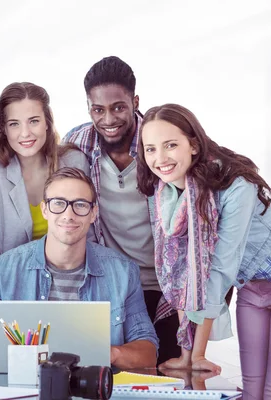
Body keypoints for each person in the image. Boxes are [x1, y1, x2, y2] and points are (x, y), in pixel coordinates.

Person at [137, 103, 271, 399]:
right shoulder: (166, 193)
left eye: (170, 145)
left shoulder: (235, 185)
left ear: (193, 145)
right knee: (252, 392)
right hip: (251, 286)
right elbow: (180, 274)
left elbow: (221, 268)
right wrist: (187, 357)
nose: (160, 159)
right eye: (150, 149)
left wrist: (197, 356)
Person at [0, 167, 158, 370]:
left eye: (80, 205)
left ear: (93, 213)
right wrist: (25, 355)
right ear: (45, 210)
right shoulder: (3, 270)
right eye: (58, 204)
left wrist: (108, 352)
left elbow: (148, 353)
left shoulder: (123, 273)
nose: (68, 215)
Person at [62, 56, 180, 365]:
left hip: (165, 282)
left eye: (118, 107)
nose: (108, 119)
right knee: (107, 371)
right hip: (113, 283)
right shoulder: (77, 143)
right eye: (98, 110)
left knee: (165, 370)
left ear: (135, 101)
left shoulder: (157, 143)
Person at [0, 82, 91, 286]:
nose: (25, 133)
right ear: (4, 129)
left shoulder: (75, 161)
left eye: (33, 121)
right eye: (14, 124)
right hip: (14, 285)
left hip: (72, 283)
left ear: (47, 121)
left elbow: (90, 236)